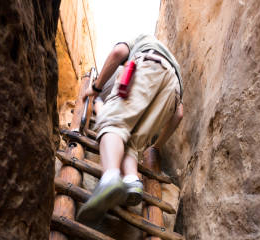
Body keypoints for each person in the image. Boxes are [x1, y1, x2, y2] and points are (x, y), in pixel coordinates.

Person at [77, 33, 184, 224]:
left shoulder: (141, 40)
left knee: (112, 123)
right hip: (173, 92)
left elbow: (118, 52)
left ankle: (110, 178)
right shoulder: (172, 63)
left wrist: (96, 87)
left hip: (148, 65)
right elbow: (179, 114)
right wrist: (156, 146)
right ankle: (132, 181)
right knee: (133, 143)